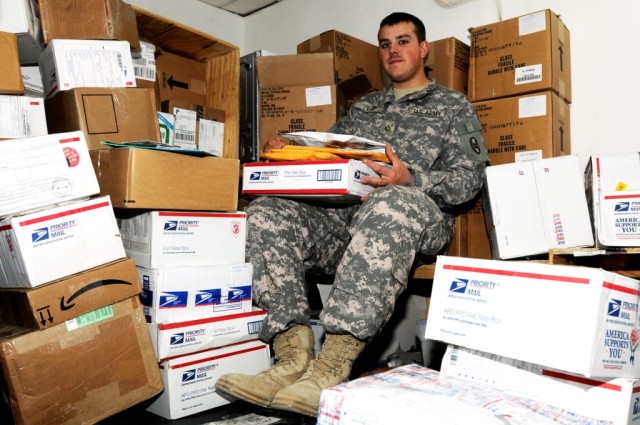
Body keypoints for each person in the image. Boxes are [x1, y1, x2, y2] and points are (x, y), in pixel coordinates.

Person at [215, 11, 488, 417]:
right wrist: (290, 151)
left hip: (415, 213)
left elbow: (471, 180)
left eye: (403, 41)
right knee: (266, 213)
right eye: (385, 43)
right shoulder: (363, 109)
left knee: (391, 202)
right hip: (347, 221)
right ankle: (291, 358)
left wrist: (410, 178)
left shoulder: (451, 105)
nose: (393, 50)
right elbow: (330, 157)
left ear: (423, 48)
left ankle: (332, 365)